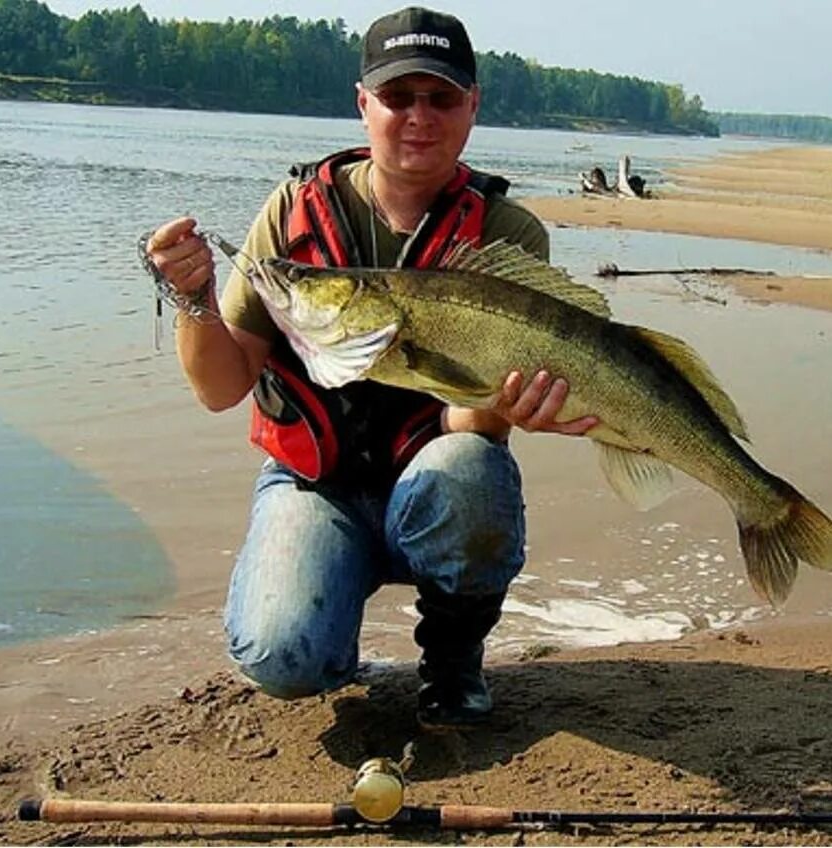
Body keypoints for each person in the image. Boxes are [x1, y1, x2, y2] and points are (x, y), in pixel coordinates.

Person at [145, 6, 596, 728]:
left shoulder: (507, 234)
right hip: (315, 484)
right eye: (397, 97)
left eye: (441, 97)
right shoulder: (292, 212)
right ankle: (331, 626)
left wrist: (509, 406)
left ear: (473, 105)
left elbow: (468, 420)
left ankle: (452, 662)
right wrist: (193, 299)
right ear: (363, 105)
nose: (419, 116)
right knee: (284, 656)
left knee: (474, 466)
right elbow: (221, 387)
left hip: (437, 484)